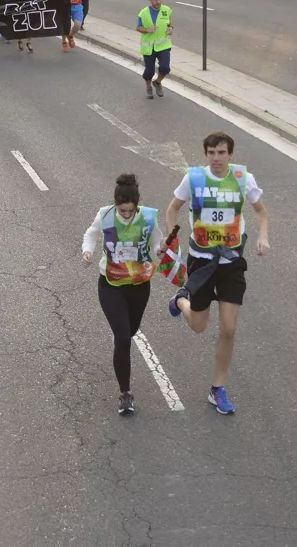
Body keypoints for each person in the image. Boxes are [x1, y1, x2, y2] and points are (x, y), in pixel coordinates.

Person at [164, 132, 271, 416]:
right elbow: (173, 208)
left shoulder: (243, 178)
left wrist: (263, 237)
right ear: (206, 154)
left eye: (221, 152)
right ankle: (181, 301)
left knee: (228, 328)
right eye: (211, 153)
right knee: (199, 326)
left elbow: (261, 212)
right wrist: (171, 237)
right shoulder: (194, 178)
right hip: (201, 261)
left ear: (230, 154)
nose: (216, 158)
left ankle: (217, 388)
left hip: (231, 261)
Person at [82, 173, 163, 416]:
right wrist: (87, 251)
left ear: (137, 206)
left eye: (130, 211)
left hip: (139, 284)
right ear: (116, 204)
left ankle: (121, 339)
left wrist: (161, 249)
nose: (126, 215)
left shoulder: (148, 217)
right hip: (111, 284)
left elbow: (157, 243)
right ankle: (125, 393)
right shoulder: (105, 215)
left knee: (131, 331)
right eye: (122, 210)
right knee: (123, 339)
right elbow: (91, 234)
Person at [136, 0, 173, 99]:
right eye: (154, 0)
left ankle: (157, 82)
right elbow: (138, 27)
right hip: (149, 47)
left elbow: (170, 22)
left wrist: (171, 28)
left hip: (163, 45)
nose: (157, 2)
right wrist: (148, 30)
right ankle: (148, 87)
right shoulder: (144, 13)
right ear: (150, 0)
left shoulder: (166, 10)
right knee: (149, 71)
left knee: (165, 68)